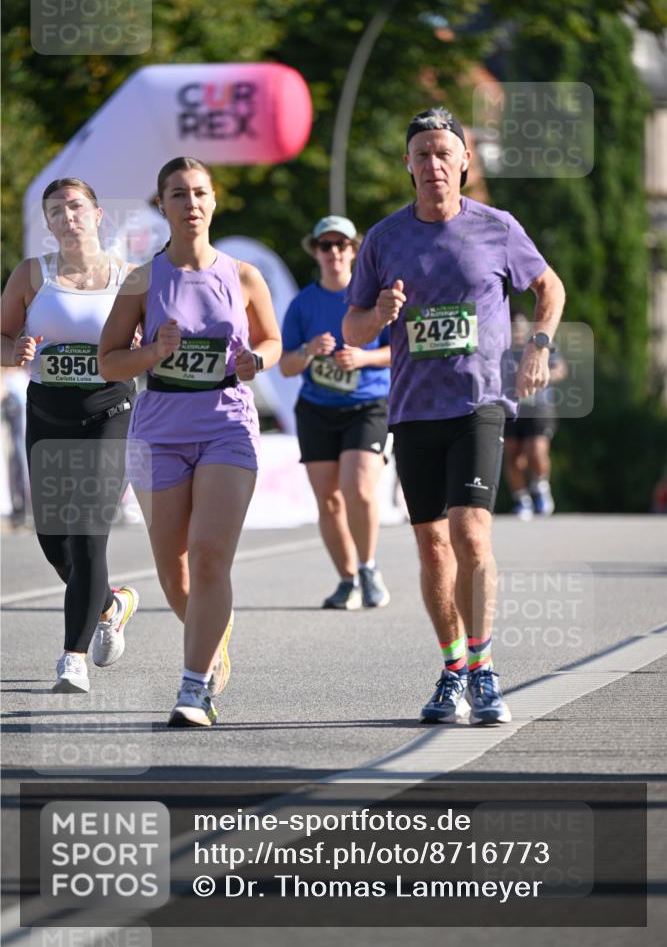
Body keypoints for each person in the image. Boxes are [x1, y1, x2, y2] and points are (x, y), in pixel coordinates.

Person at [343, 107, 566, 726]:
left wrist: (540, 346)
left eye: (445, 153)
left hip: (480, 402)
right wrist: (380, 312)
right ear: (408, 165)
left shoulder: (498, 228)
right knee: (434, 549)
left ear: (465, 160)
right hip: (414, 411)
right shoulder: (384, 240)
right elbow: (353, 325)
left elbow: (549, 288)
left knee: (470, 533)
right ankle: (452, 670)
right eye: (422, 154)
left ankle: (484, 667)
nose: (434, 164)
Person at [99, 156, 281, 728]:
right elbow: (108, 363)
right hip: (159, 432)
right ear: (163, 206)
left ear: (214, 201)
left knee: (208, 557)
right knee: (174, 569)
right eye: (179, 195)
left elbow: (273, 340)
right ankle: (212, 636)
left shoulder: (243, 275)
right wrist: (153, 352)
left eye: (200, 193)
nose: (192, 204)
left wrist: (257, 360)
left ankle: (194, 687)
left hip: (226, 424)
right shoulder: (142, 279)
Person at [0, 178, 139, 693]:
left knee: (86, 531)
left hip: (110, 412)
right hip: (48, 416)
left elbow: (149, 343)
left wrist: (143, 343)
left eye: (76, 206)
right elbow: (2, 337)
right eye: (55, 210)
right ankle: (110, 604)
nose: (67, 217)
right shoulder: (32, 275)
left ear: (98, 214)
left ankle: (72, 657)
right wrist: (12, 355)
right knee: (54, 542)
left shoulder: (129, 278)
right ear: (48, 223)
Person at [280, 215, 391, 610]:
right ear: (316, 252)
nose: (334, 253)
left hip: (368, 405)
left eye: (341, 245)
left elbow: (398, 351)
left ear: (354, 250)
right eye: (325, 246)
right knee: (328, 500)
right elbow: (285, 365)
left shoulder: (373, 297)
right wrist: (309, 350)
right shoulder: (302, 304)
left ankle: (368, 567)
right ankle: (347, 580)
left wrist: (362, 357)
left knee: (357, 488)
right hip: (317, 409)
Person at [503, 310, 568, 519]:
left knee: (536, 450)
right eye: (512, 328)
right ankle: (522, 499)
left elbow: (560, 368)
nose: (517, 332)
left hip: (539, 407)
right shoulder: (501, 349)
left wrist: (544, 376)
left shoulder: (540, 344)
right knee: (513, 456)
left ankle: (540, 487)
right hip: (512, 408)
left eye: (520, 327)